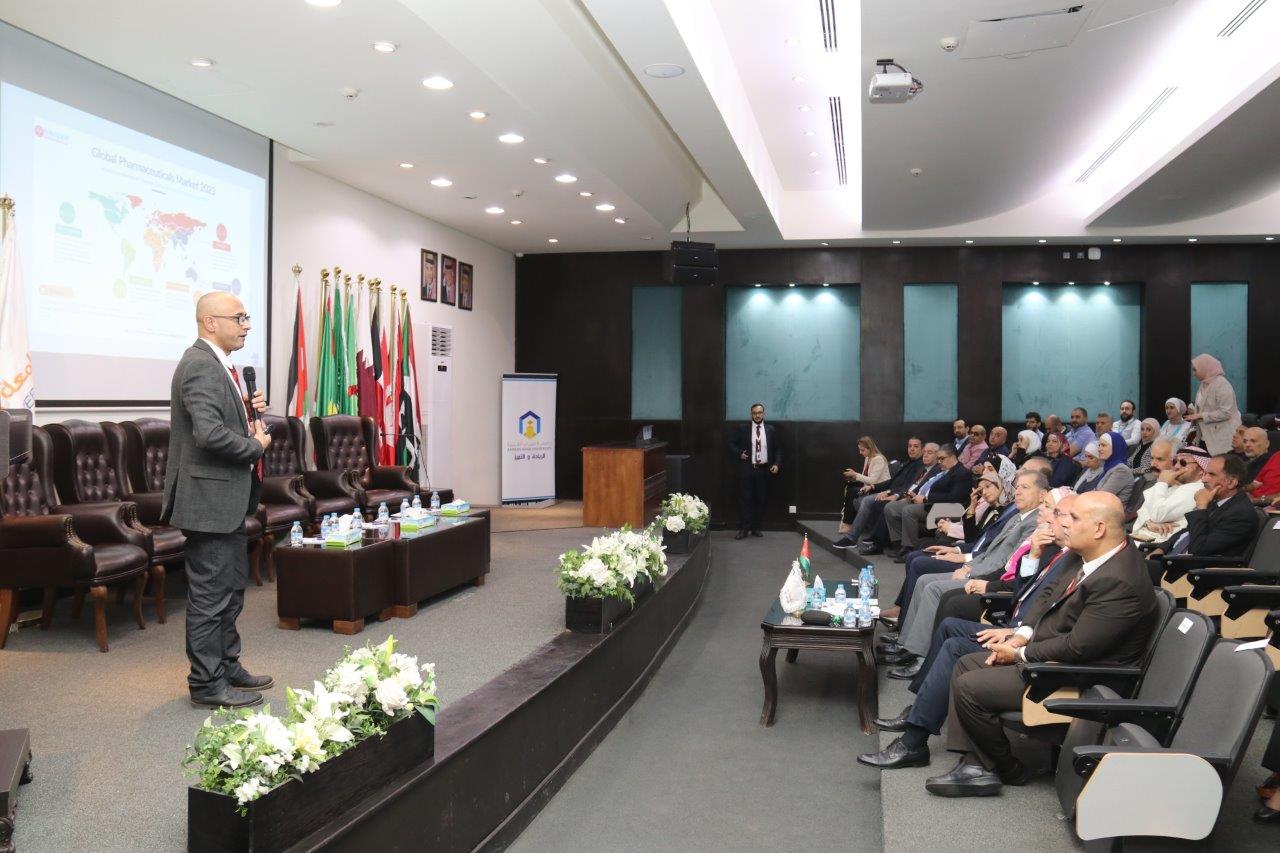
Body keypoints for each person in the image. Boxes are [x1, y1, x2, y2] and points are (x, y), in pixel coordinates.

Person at [927, 491, 1159, 797]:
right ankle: (977, 764)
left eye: (1074, 517)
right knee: (966, 663)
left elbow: (1078, 648)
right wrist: (1021, 634)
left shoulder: (1120, 580)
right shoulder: (1086, 553)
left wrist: (1018, 653)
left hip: (1083, 676)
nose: (1064, 523)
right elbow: (1047, 595)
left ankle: (1007, 768)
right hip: (1056, 655)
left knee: (969, 686)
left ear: (1099, 529)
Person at [859, 493, 1078, 769]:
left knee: (955, 643)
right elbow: (1024, 594)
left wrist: (1019, 637)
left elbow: (1063, 628)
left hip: (1031, 649)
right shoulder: (1059, 554)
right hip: (1018, 630)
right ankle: (920, 710)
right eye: (1053, 512)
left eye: (1060, 514)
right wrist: (1033, 556)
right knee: (950, 626)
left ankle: (915, 741)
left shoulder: (1078, 563)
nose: (1050, 520)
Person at [164, 292, 273, 709]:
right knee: (211, 597)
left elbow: (215, 421)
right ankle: (206, 683)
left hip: (224, 500)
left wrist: (244, 412)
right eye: (239, 318)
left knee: (230, 591)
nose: (247, 325)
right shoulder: (200, 365)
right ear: (211, 322)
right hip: (208, 502)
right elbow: (208, 435)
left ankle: (227, 666)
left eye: (247, 317)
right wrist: (255, 445)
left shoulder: (219, 365)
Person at [884, 471, 1047, 672]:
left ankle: (918, 655)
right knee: (924, 580)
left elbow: (1005, 564)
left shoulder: (1033, 523)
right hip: (979, 567)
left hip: (990, 580)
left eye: (1025, 487)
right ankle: (907, 644)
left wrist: (969, 571)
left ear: (1042, 495)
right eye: (1018, 487)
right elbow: (988, 551)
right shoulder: (1018, 517)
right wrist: (967, 565)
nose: (1018, 492)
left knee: (932, 587)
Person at [1148, 453, 1257, 559]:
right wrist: (1161, 549)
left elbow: (1198, 550)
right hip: (1170, 557)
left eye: (1212, 474)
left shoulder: (1241, 514)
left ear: (1231, 482)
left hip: (1192, 568)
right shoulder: (1216, 502)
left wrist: (1200, 508)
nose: (1204, 479)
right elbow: (1187, 532)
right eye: (1205, 473)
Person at [881, 445, 973, 556]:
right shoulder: (946, 471)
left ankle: (910, 549)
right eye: (938, 459)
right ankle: (898, 544)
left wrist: (926, 499)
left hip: (949, 509)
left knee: (909, 511)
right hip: (931, 503)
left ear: (953, 457)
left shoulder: (962, 473)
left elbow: (954, 497)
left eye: (942, 458)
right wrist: (919, 495)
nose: (939, 462)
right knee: (890, 507)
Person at [836, 437, 924, 545]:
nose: (912, 449)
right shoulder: (907, 463)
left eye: (916, 446)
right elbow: (891, 481)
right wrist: (872, 487)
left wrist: (889, 492)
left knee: (865, 500)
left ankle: (852, 538)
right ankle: (865, 532)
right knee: (856, 497)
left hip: (898, 495)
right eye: (910, 446)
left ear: (922, 449)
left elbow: (908, 486)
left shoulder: (920, 466)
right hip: (888, 491)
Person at [1131, 445, 1208, 542]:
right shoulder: (1178, 485)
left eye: (1183, 463)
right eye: (1175, 461)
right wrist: (1148, 523)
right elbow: (1143, 509)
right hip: (1142, 539)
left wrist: (1162, 483)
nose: (1176, 466)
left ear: (1201, 470)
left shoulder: (1198, 489)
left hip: (1156, 546)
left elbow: (1157, 514)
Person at [728, 402, 779, 540]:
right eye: (755, 413)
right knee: (746, 499)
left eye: (760, 412)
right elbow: (731, 443)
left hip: (764, 470)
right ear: (751, 414)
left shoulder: (771, 429)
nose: (757, 415)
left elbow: (777, 449)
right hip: (747, 469)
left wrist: (776, 464)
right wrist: (739, 453)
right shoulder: (743, 428)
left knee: (760, 499)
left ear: (763, 414)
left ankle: (756, 527)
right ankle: (744, 529)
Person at [1186, 353, 1242, 455]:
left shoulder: (1222, 384)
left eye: (1195, 370)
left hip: (1222, 439)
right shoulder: (1204, 384)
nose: (1193, 374)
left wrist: (1201, 416)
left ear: (1204, 367)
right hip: (1205, 437)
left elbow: (1226, 412)